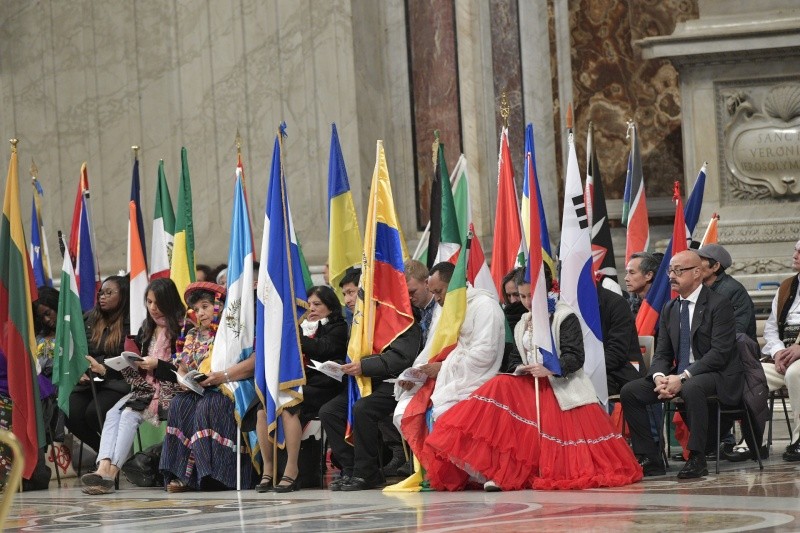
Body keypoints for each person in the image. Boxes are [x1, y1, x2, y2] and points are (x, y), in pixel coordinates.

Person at [416, 264, 641, 491]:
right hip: (530, 383)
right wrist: (520, 368)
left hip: (561, 386)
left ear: (545, 290)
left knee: (500, 388)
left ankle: (513, 472)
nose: (526, 302)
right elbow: (514, 358)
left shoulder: (564, 316)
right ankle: (500, 470)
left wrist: (549, 369)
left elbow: (575, 358)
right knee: (500, 384)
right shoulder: (524, 321)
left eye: (531, 295)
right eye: (522, 296)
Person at [621, 250, 743, 479]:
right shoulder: (670, 308)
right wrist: (658, 376)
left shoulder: (719, 304)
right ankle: (650, 458)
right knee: (631, 391)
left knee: (691, 387)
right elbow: (663, 353)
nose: (671, 276)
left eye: (678, 271)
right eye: (670, 271)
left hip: (717, 373)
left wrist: (683, 376)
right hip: (680, 375)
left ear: (697, 273)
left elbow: (720, 353)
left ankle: (697, 457)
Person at [81, 278, 185, 494]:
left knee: (128, 414)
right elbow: (136, 367)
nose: (153, 308)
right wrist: (105, 369)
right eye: (149, 302)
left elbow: (184, 367)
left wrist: (158, 364)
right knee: (112, 413)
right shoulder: (147, 328)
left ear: (169, 302)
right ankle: (102, 467)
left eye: (157, 303)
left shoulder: (182, 328)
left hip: (170, 388)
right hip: (145, 388)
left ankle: (110, 475)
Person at [160, 282, 256, 492]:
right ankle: (184, 475)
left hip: (230, 385)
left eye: (205, 306)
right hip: (202, 387)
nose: (200, 313)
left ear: (219, 305)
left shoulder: (235, 331)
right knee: (179, 404)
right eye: (197, 309)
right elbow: (183, 367)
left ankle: (217, 474)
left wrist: (220, 376)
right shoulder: (193, 334)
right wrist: (183, 381)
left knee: (209, 405)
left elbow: (254, 362)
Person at [254, 285, 347, 493]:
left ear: (330, 307)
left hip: (323, 385)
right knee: (262, 409)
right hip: (296, 383)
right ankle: (268, 467)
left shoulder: (337, 326)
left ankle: (292, 468)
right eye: (309, 304)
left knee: (288, 406)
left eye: (317, 304)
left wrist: (292, 335)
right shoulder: (300, 326)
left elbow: (324, 349)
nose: (311, 309)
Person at [319, 320, 421, 491]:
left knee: (363, 409)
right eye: (346, 293)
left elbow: (401, 358)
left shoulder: (400, 318)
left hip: (394, 381)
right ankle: (350, 469)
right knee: (329, 411)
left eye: (352, 292)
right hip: (365, 380)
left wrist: (364, 366)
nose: (350, 299)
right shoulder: (361, 321)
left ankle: (366, 472)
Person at [66, 275, 131, 453]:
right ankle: (103, 454)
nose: (102, 296)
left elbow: (129, 359)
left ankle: (113, 456)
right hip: (91, 382)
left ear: (123, 295)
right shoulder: (89, 319)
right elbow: (79, 352)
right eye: (101, 292)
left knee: (94, 413)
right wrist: (80, 370)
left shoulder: (131, 322)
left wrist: (103, 368)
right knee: (69, 411)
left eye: (109, 293)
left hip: (117, 382)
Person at [761, 239, 800, 462]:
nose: (795, 255)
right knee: (752, 373)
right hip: (782, 358)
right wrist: (777, 353)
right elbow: (771, 327)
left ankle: (798, 439)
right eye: (795, 250)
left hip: (798, 361)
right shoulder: (786, 287)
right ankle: (753, 440)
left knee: (796, 373)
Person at [697, 243, 757, 341]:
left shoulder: (733, 290)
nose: (696, 265)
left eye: (701, 260)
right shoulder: (700, 288)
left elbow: (738, 329)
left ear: (715, 266)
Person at [598, 286, 645, 396]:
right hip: (593, 370)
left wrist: (587, 370)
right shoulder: (570, 305)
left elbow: (616, 354)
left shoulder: (616, 303)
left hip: (620, 371)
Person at [405, 260, 437, 345]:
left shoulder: (442, 308)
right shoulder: (408, 312)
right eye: (405, 294)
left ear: (426, 283)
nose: (409, 297)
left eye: (412, 292)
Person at [624, 252, 661, 317]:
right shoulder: (626, 307)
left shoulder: (663, 305)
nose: (626, 278)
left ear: (649, 275)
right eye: (627, 273)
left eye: (632, 273)